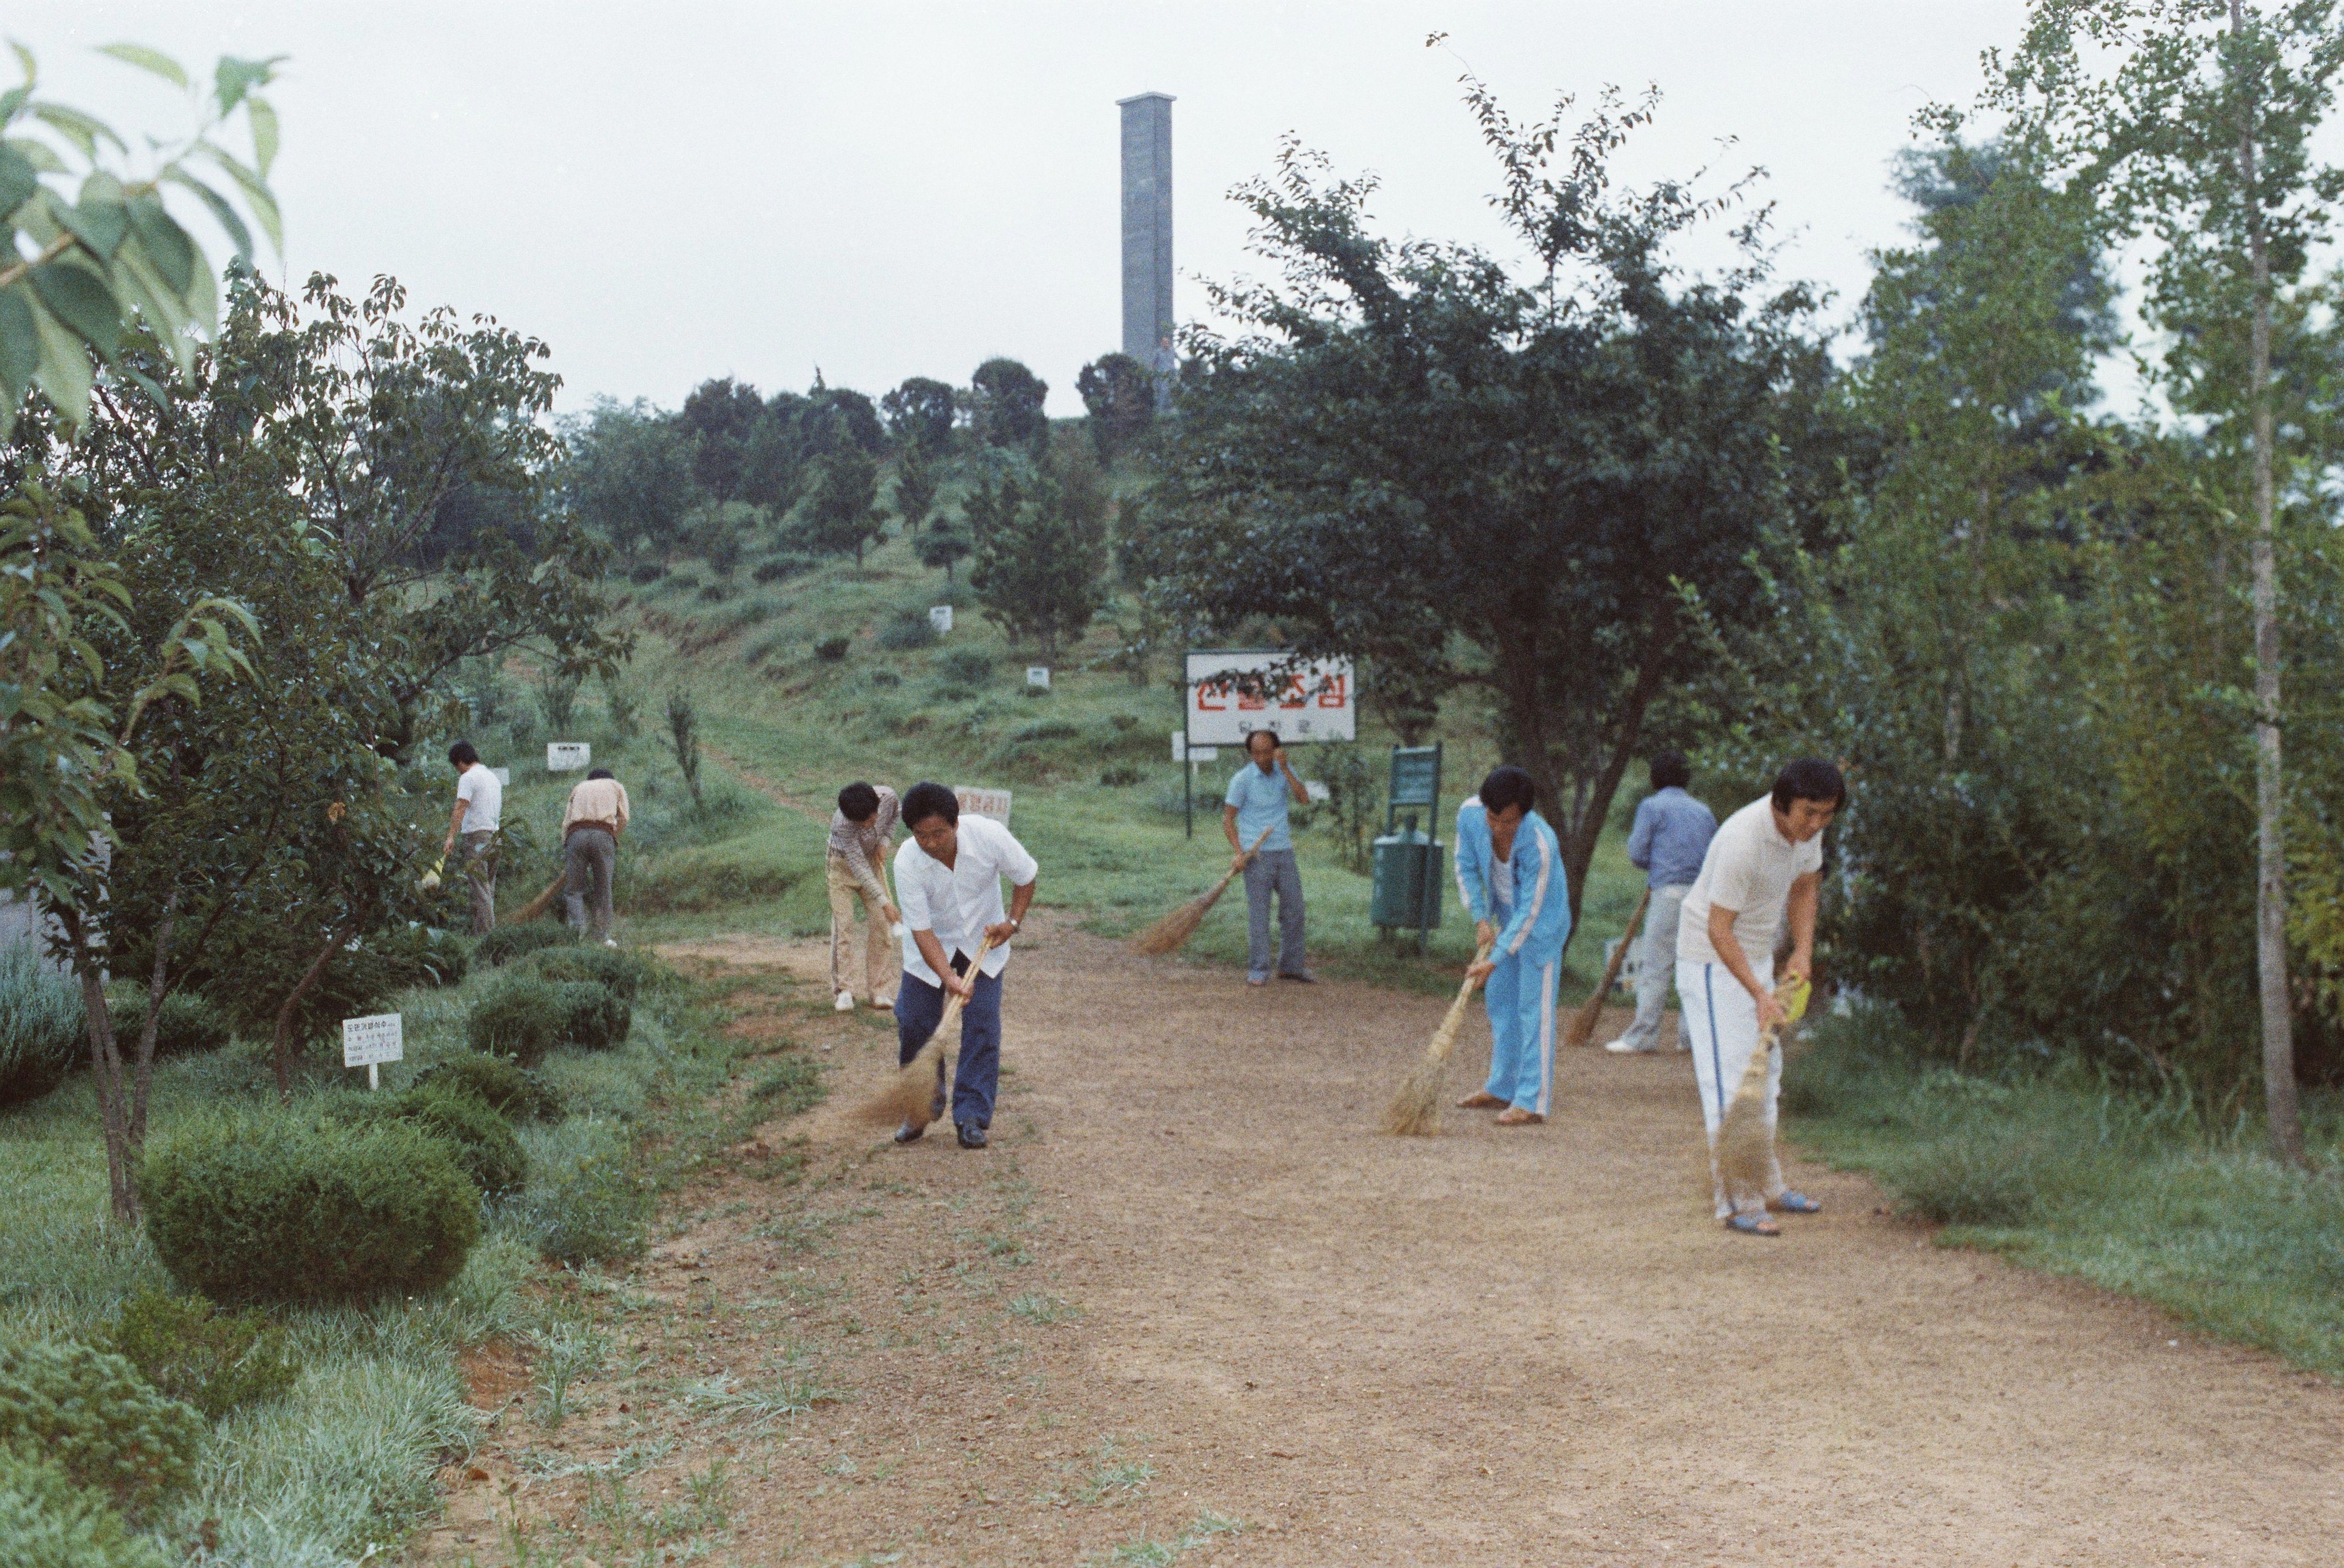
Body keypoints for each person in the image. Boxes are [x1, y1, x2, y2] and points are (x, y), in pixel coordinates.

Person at [1676, 757, 1843, 1235]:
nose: (1816, 824)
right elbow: (1718, 927)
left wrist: (1803, 952)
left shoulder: (1809, 833)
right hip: (1710, 960)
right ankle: (1736, 1199)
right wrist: (1757, 993)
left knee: (1767, 1073)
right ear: (1781, 802)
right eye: (1808, 813)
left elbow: (1806, 887)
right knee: (1731, 1081)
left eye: (1826, 815)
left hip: (1757, 956)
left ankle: (1767, 1183)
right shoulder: (1742, 840)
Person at [890, 783, 1038, 1151]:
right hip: (930, 951)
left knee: (983, 1025)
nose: (931, 843)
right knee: (913, 1020)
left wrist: (1013, 922)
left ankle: (971, 1115)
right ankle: (921, 1108)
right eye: (921, 835)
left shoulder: (989, 835)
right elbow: (922, 931)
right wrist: (948, 977)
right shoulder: (907, 861)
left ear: (955, 823)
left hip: (982, 944)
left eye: (938, 832)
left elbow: (1026, 875)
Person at [1451, 767, 1572, 1125]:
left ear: (1524, 815)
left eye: (1510, 822)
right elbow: (1465, 865)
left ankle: (1532, 1099)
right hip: (1504, 918)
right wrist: (1480, 917)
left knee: (1534, 1011)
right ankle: (1502, 1086)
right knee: (1502, 1004)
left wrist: (1496, 957)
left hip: (1542, 926)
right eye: (1494, 818)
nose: (1500, 828)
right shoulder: (1469, 815)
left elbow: (1531, 912)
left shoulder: (1540, 843)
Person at [1608, 752, 1718, 1055]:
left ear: (1655, 778)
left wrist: (1657, 865)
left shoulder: (1652, 806)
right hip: (1702, 896)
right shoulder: (1704, 811)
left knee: (1657, 965)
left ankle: (1643, 1036)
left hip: (1668, 893)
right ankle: (1690, 1039)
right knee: (1693, 965)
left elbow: (1637, 852)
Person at [1222, 728, 1313, 986]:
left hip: (1284, 851)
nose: (1262, 758)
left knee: (1295, 910)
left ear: (1277, 751)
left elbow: (1304, 799)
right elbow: (1228, 819)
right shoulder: (1242, 780)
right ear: (1250, 754)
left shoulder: (1285, 771)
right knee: (1259, 914)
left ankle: (1291, 967)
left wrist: (1285, 769)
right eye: (1256, 753)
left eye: (1267, 752)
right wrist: (1239, 853)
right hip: (1256, 855)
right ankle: (1259, 970)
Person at [828, 781, 902, 1013]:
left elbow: (894, 817)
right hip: (842, 866)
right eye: (864, 824)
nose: (870, 826)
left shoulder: (888, 797)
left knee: (881, 924)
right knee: (845, 926)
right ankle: (844, 991)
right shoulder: (842, 824)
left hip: (871, 860)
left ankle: (879, 990)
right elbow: (859, 867)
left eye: (872, 819)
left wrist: (885, 842)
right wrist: (885, 901)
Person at [560, 767, 631, 946]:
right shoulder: (616, 786)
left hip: (576, 835)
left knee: (574, 890)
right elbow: (624, 818)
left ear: (590, 779)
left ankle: (578, 934)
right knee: (603, 889)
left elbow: (567, 822)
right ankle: (603, 937)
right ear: (609, 778)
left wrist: (568, 846)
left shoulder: (579, 787)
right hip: (603, 834)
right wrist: (613, 837)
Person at [440, 741, 502, 935]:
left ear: (460, 762)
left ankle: (486, 937)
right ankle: (480, 934)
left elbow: (460, 807)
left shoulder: (468, 778)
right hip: (496, 836)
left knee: (480, 891)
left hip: (478, 837)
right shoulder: (493, 777)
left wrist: (450, 836)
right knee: (487, 889)